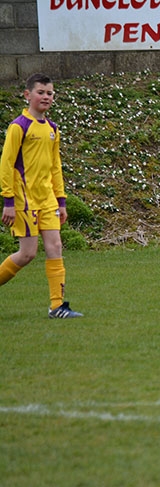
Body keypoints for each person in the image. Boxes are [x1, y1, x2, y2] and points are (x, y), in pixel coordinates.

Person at [0, 73, 83, 318]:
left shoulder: (52, 129)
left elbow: (55, 166)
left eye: (49, 93)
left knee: (55, 246)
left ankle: (57, 306)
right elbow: (6, 164)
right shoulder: (19, 126)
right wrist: (8, 201)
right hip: (24, 199)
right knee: (27, 254)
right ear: (27, 95)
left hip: (47, 200)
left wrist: (61, 200)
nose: (46, 97)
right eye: (41, 92)